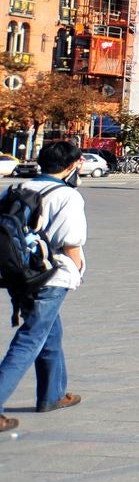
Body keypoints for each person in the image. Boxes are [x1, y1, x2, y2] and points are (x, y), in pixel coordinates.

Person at [0, 139, 90, 434]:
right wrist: (77, 268)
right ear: (72, 164)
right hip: (50, 275)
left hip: (19, 273)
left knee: (51, 332)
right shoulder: (67, 196)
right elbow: (70, 240)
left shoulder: (17, 189)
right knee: (30, 338)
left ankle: (52, 394)